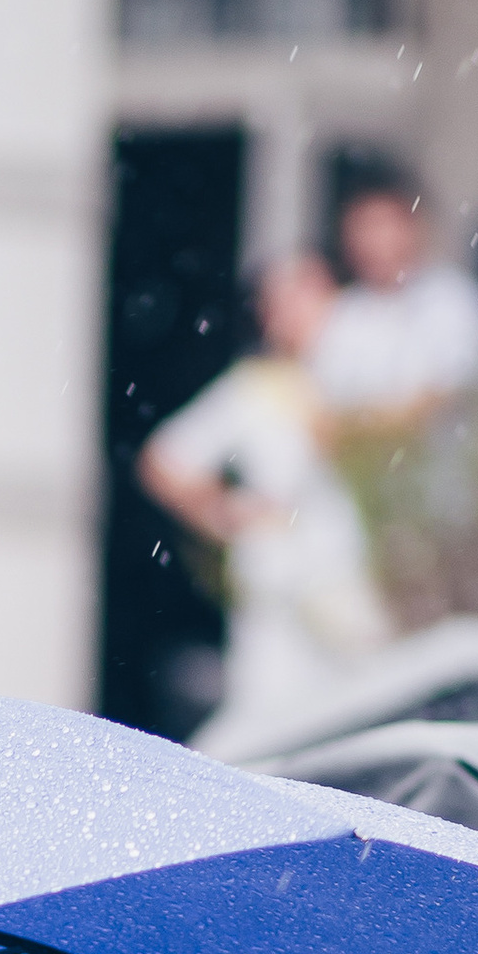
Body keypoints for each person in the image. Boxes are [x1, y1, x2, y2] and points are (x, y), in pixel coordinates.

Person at [139, 257, 389, 743]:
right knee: (270, 722)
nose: (298, 313)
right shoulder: (256, 389)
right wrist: (223, 512)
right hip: (280, 589)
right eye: (284, 301)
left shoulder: (368, 383)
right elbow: (164, 461)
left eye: (311, 297)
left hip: (354, 581)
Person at [311, 181, 478, 627]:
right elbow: (320, 419)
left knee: (454, 632)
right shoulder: (346, 315)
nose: (372, 241)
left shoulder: (452, 301)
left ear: (414, 228)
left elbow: (433, 401)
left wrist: (362, 424)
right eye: (361, 229)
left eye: (382, 226)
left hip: (445, 514)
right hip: (369, 520)